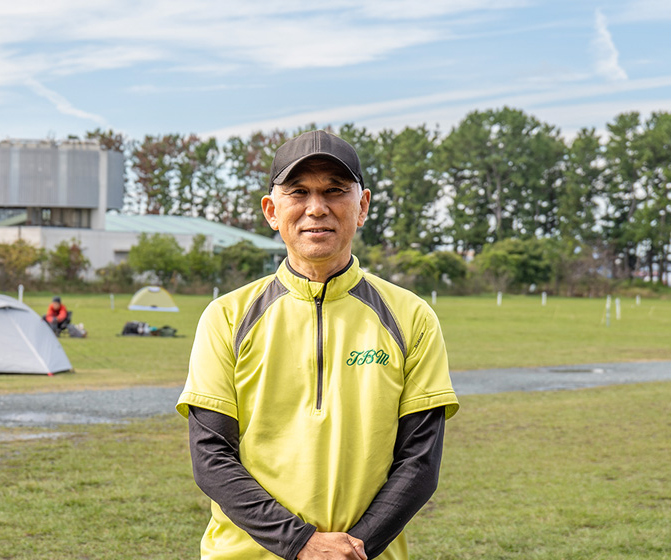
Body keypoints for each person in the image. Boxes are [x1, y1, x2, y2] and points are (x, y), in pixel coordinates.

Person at [176, 130, 459, 560]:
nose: (316, 208)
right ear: (272, 211)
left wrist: (352, 549)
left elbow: (419, 462)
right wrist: (300, 543)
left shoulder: (411, 316)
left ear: (362, 205)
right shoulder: (227, 316)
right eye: (299, 192)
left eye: (334, 191)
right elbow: (211, 456)